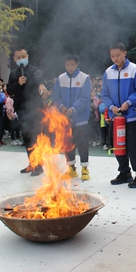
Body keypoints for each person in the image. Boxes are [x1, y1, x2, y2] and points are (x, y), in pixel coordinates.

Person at [101, 42, 136, 188]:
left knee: (132, 144)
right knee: (118, 144)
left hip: (131, 116)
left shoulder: (135, 70)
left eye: (118, 55)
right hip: (116, 117)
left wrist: (128, 102)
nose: (115, 58)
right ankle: (124, 172)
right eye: (112, 56)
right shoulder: (108, 72)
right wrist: (111, 106)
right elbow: (104, 94)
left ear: (125, 53)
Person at [7, 48, 48, 176]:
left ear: (28, 57)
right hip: (21, 110)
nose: (21, 59)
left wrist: (41, 85)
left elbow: (39, 79)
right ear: (14, 59)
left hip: (35, 109)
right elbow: (10, 90)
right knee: (27, 138)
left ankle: (39, 165)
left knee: (36, 137)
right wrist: (18, 84)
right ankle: (32, 163)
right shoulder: (13, 74)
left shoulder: (34, 70)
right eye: (18, 57)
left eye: (23, 56)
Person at [51, 53, 91, 181]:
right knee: (68, 143)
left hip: (80, 119)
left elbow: (85, 98)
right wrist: (62, 107)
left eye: (72, 65)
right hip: (65, 119)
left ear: (77, 64)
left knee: (82, 144)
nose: (70, 67)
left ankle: (85, 169)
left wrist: (73, 108)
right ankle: (71, 169)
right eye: (67, 65)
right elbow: (55, 96)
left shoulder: (84, 78)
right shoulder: (60, 78)